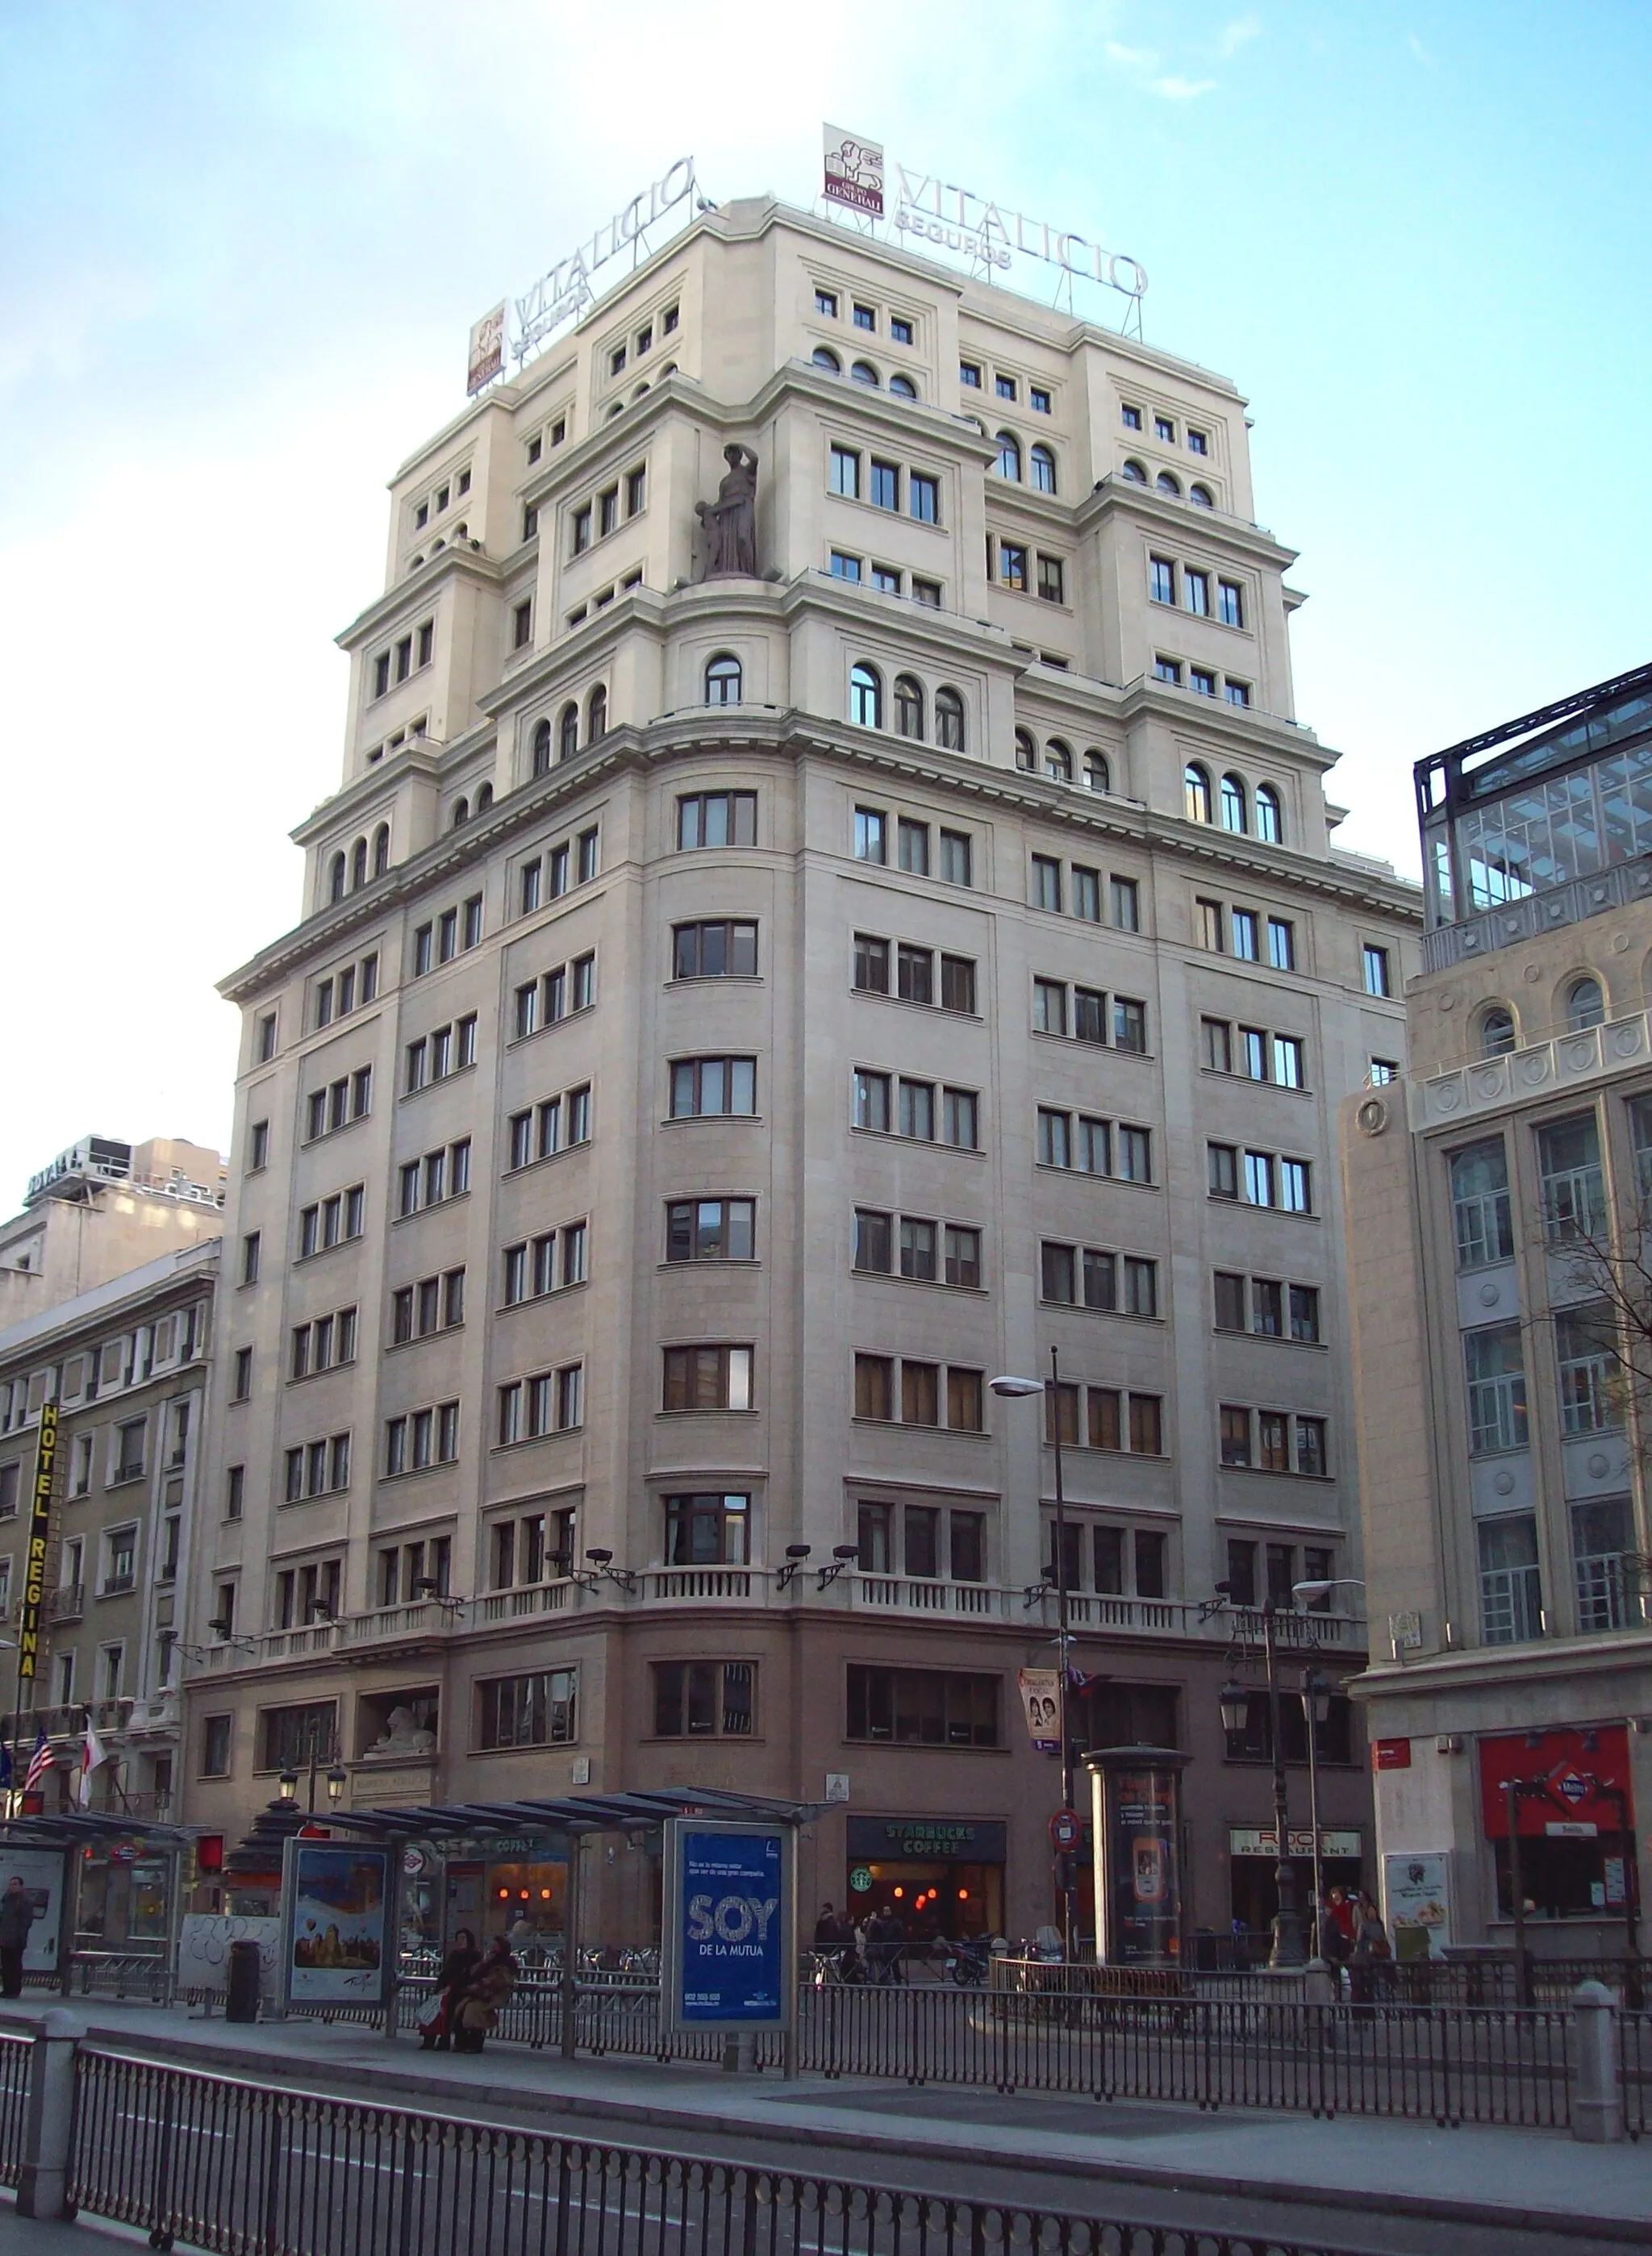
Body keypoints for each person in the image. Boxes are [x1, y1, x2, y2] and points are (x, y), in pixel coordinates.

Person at [453, 1935, 516, 2054]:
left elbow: (502, 1979)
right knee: (460, 2011)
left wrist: (484, 1983)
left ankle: (474, 2044)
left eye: (496, 1946)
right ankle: (461, 2042)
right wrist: (484, 1963)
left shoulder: (507, 1962)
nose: (492, 1948)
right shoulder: (488, 1960)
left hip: (491, 1994)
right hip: (478, 1993)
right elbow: (474, 1974)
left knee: (474, 2014)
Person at [421, 1926, 481, 2051]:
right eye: (459, 1939)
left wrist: (451, 1987)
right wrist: (440, 1988)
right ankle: (430, 2040)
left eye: (464, 1938)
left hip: (461, 1991)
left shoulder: (474, 1956)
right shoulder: (454, 1955)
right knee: (433, 2009)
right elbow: (446, 1974)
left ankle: (445, 2039)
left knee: (449, 2009)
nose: (461, 1941)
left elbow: (466, 1976)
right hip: (448, 1990)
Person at [1350, 1892, 1391, 2011]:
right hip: (1369, 1957)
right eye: (1371, 1911)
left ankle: (1383, 2007)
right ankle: (1376, 2006)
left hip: (1380, 1957)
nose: (1373, 1913)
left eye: (1374, 1911)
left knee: (1381, 1983)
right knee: (1372, 1984)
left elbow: (1384, 1938)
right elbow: (1359, 1940)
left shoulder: (1379, 1924)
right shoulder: (1364, 1925)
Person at [0, 1878, 34, 1999]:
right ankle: (7, 1989)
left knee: (14, 1965)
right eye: (10, 1884)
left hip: (16, 1939)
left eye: (15, 1884)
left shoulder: (24, 1901)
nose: (12, 1887)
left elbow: (26, 1921)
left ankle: (14, 1990)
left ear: (21, 1886)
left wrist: (20, 1936)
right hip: (5, 1938)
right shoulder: (7, 1899)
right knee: (6, 1965)